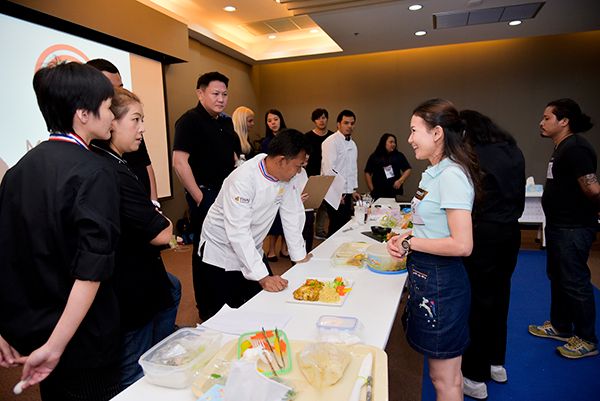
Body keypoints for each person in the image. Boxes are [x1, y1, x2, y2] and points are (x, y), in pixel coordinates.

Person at [0, 62, 121, 400]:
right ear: (83, 114)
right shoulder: (95, 171)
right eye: (108, 107)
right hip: (82, 338)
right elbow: (91, 270)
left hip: (36, 329)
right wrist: (56, 346)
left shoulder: (18, 171)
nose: (112, 116)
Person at [387, 98, 481, 401]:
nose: (410, 139)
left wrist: (410, 242)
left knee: (445, 380)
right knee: (441, 375)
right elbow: (432, 225)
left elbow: (462, 244)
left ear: (437, 133)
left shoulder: (452, 175)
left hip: (442, 282)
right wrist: (406, 235)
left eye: (415, 130)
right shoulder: (433, 172)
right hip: (428, 276)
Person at [91, 88, 176, 388]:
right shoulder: (112, 169)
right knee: (133, 369)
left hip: (132, 273)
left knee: (172, 291)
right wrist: (160, 219)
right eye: (136, 119)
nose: (142, 128)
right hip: (128, 283)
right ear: (111, 121)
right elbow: (163, 232)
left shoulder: (113, 162)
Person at [196, 129, 312, 320]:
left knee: (262, 306)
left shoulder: (286, 176)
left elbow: (292, 215)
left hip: (252, 247)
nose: (299, 171)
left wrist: (299, 257)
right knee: (224, 316)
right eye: (298, 166)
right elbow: (238, 232)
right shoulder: (243, 179)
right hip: (221, 251)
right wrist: (263, 277)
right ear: (281, 160)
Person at [459, 110, 525, 400]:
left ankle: (474, 377)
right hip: (510, 233)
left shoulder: (474, 156)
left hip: (484, 234)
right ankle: (496, 363)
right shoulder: (512, 150)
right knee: (500, 298)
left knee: (478, 303)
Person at [528, 98, 599, 359]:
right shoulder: (562, 147)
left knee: (575, 282)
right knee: (558, 277)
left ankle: (587, 339)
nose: (541, 122)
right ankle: (561, 326)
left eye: (547, 118)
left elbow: (592, 188)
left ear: (564, 121)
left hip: (574, 227)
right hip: (559, 226)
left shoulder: (576, 148)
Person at [172, 71, 238, 319]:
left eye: (225, 94)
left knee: (229, 245)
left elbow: (232, 156)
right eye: (215, 94)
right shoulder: (189, 121)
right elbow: (179, 162)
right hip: (205, 194)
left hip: (226, 194)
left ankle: (229, 298)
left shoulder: (226, 122)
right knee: (205, 250)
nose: (221, 99)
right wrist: (200, 197)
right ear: (200, 93)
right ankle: (207, 307)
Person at [87, 58, 160, 205]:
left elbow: (146, 164)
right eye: (111, 89)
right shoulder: (95, 147)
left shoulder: (133, 131)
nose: (117, 94)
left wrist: (154, 203)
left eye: (120, 87)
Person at [321, 109, 360, 235]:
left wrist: (353, 190)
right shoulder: (330, 141)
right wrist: (337, 192)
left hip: (347, 192)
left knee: (345, 224)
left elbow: (352, 168)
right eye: (346, 123)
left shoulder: (353, 144)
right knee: (336, 226)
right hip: (334, 191)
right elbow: (328, 169)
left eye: (352, 123)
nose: (349, 126)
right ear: (338, 124)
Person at [261, 109, 289, 261]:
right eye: (269, 120)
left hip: (288, 180)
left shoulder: (288, 138)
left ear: (281, 120)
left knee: (287, 215)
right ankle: (271, 250)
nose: (273, 123)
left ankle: (284, 248)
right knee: (274, 217)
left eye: (275, 119)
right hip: (273, 182)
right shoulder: (266, 142)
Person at [305, 108, 334, 239]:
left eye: (323, 117)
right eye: (318, 118)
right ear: (314, 121)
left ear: (327, 119)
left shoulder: (333, 137)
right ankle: (307, 231)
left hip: (326, 174)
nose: (321, 121)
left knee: (324, 204)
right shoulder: (307, 137)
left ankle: (319, 230)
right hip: (310, 174)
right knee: (310, 204)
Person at [364, 133, 412, 200]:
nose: (393, 144)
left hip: (394, 191)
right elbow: (367, 172)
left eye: (394, 142)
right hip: (378, 192)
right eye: (391, 142)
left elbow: (408, 169)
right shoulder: (375, 156)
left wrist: (400, 181)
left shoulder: (398, 155)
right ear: (384, 143)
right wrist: (372, 189)